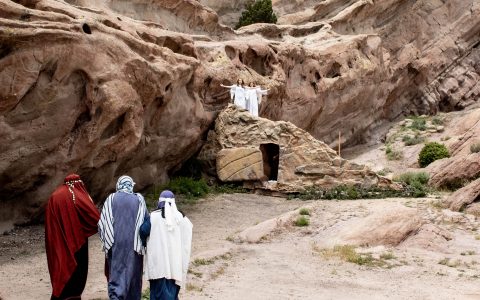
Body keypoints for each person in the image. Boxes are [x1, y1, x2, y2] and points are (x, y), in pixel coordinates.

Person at [45, 174, 100, 300]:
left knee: (60, 266)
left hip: (57, 240)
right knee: (76, 272)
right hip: (77, 243)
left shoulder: (55, 196)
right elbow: (95, 217)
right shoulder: (78, 195)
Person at [98, 175, 148, 300]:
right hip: (134, 246)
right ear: (131, 185)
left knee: (117, 272)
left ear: (118, 185)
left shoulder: (111, 198)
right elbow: (146, 221)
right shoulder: (139, 199)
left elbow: (102, 222)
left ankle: (116, 296)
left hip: (116, 244)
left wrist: (106, 241)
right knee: (134, 274)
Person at [140, 190, 193, 300]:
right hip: (175, 265)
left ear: (159, 202)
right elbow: (188, 233)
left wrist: (146, 243)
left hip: (158, 265)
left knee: (157, 294)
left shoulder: (153, 217)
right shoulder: (181, 218)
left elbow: (143, 231)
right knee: (172, 293)